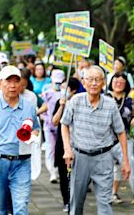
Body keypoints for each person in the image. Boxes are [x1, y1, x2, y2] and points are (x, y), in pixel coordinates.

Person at [61, 66, 131, 215]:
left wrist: (125, 160)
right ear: (84, 83)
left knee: (105, 202)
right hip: (80, 157)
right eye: (90, 79)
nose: (93, 83)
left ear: (103, 83)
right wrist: (67, 149)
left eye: (97, 80)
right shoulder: (75, 101)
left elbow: (121, 132)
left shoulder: (110, 104)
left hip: (104, 157)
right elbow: (64, 124)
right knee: (76, 202)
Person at [0, 66, 40, 214]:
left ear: (21, 83)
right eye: (8, 81)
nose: (12, 85)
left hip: (22, 163)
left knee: (21, 207)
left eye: (16, 81)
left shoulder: (29, 107)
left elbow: (36, 129)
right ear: (0, 83)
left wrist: (31, 137)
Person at [52, 77, 81, 212]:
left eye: (66, 88)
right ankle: (66, 200)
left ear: (73, 90)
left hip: (77, 141)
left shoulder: (80, 102)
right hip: (62, 143)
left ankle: (75, 199)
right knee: (63, 174)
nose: (63, 90)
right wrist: (62, 106)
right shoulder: (60, 102)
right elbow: (55, 121)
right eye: (62, 87)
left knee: (76, 175)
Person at [106, 72, 134, 204]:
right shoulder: (104, 97)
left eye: (121, 82)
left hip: (123, 138)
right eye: (115, 82)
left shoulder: (129, 100)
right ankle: (104, 192)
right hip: (105, 138)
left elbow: (133, 114)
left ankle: (114, 193)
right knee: (105, 167)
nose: (118, 84)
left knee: (118, 166)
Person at [37, 69, 65, 183]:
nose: (57, 84)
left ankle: (58, 169)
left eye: (59, 82)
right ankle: (52, 171)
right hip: (49, 125)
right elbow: (44, 107)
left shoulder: (65, 94)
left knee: (60, 149)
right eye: (55, 82)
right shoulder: (47, 93)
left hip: (62, 126)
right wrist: (42, 116)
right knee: (50, 148)